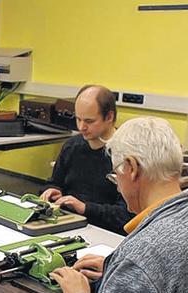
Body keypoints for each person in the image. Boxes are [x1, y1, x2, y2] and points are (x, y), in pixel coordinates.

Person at [50, 116, 187, 293]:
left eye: (115, 175)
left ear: (131, 168)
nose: (118, 187)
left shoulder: (140, 258)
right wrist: (117, 268)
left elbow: (146, 264)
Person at [41, 85, 133, 234]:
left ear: (109, 117)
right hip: (67, 223)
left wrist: (85, 208)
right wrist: (52, 190)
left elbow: (127, 215)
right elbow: (54, 182)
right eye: (78, 119)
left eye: (89, 121)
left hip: (106, 232)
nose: (81, 127)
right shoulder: (72, 146)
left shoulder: (126, 156)